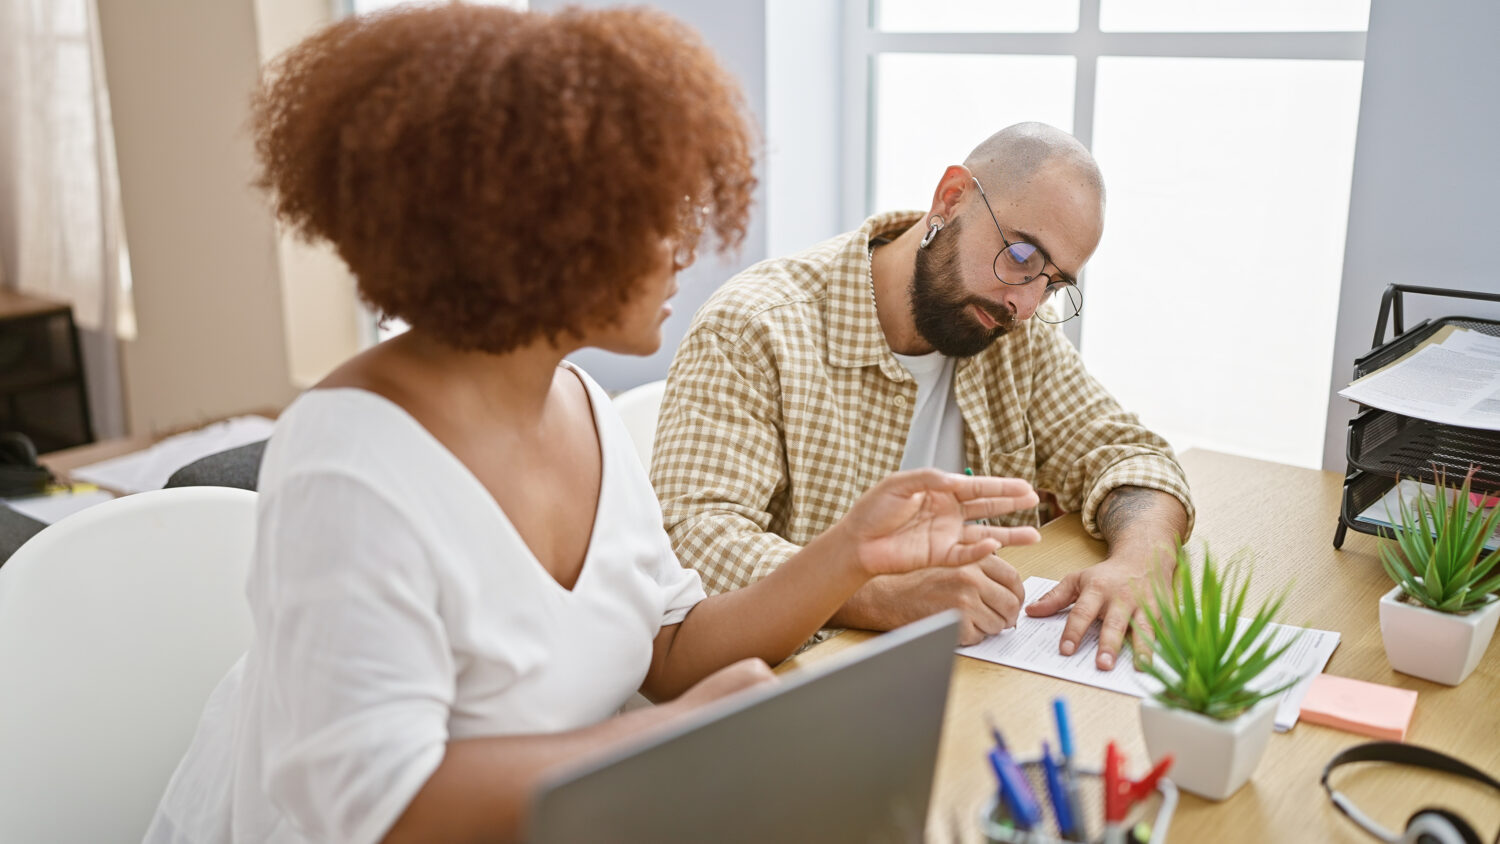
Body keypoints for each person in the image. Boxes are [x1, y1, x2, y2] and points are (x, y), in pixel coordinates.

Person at [144, 6, 1042, 843]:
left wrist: (846, 554)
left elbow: (671, 650)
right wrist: (673, 739)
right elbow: (373, 799)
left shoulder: (580, 406)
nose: (691, 247)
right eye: (659, 218)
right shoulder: (348, 460)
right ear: (538, 233)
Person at [651, 122, 1193, 669]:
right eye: (1023, 255)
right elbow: (692, 540)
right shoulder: (754, 328)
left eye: (1052, 283)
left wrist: (1143, 558)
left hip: (978, 671)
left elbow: (1127, 453)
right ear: (951, 198)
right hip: (806, 687)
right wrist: (881, 595)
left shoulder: (1017, 333)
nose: (1026, 304)